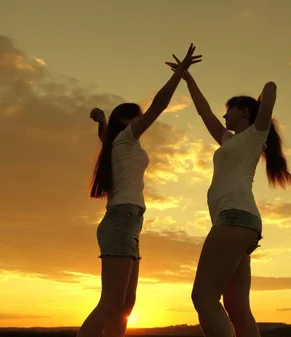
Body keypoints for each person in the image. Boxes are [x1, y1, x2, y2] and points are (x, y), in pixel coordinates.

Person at [77, 44, 201, 337]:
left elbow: (105, 135)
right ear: (127, 121)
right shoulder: (125, 140)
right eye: (137, 116)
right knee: (111, 304)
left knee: (125, 305)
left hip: (130, 223)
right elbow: (159, 105)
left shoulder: (119, 143)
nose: (142, 120)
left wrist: (103, 120)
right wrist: (179, 74)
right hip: (121, 221)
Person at [166, 57, 291, 337]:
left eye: (229, 111)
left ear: (244, 112)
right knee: (236, 308)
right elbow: (204, 113)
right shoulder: (229, 140)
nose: (224, 117)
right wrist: (187, 78)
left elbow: (270, 87)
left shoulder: (255, 135)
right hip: (241, 223)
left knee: (203, 297)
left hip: (233, 219)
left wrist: (258, 107)